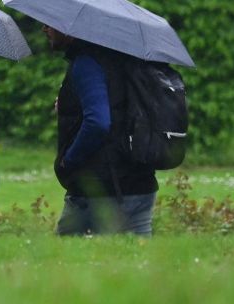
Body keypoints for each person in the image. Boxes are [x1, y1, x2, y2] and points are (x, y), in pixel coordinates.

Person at [43, 25, 159, 237]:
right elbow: (119, 107)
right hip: (141, 184)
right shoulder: (128, 60)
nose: (44, 28)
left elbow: (98, 123)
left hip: (100, 187)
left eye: (50, 24)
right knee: (135, 264)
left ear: (70, 30)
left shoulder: (87, 63)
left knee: (65, 263)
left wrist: (69, 160)